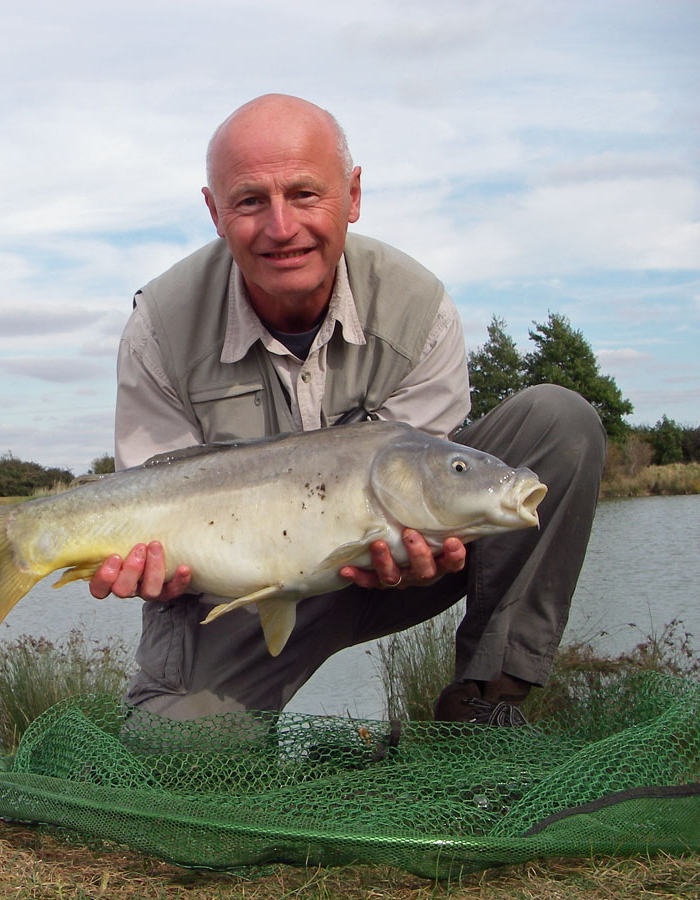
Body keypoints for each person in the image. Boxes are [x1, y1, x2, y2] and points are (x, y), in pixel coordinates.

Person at [89, 93, 606, 725]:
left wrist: (414, 545)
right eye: (250, 201)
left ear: (353, 195)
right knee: (178, 749)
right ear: (214, 212)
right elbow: (150, 496)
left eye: (305, 194)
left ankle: (486, 701)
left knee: (559, 421)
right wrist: (155, 568)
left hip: (399, 562)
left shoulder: (419, 308)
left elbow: (425, 477)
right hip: (239, 590)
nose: (282, 227)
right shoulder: (159, 328)